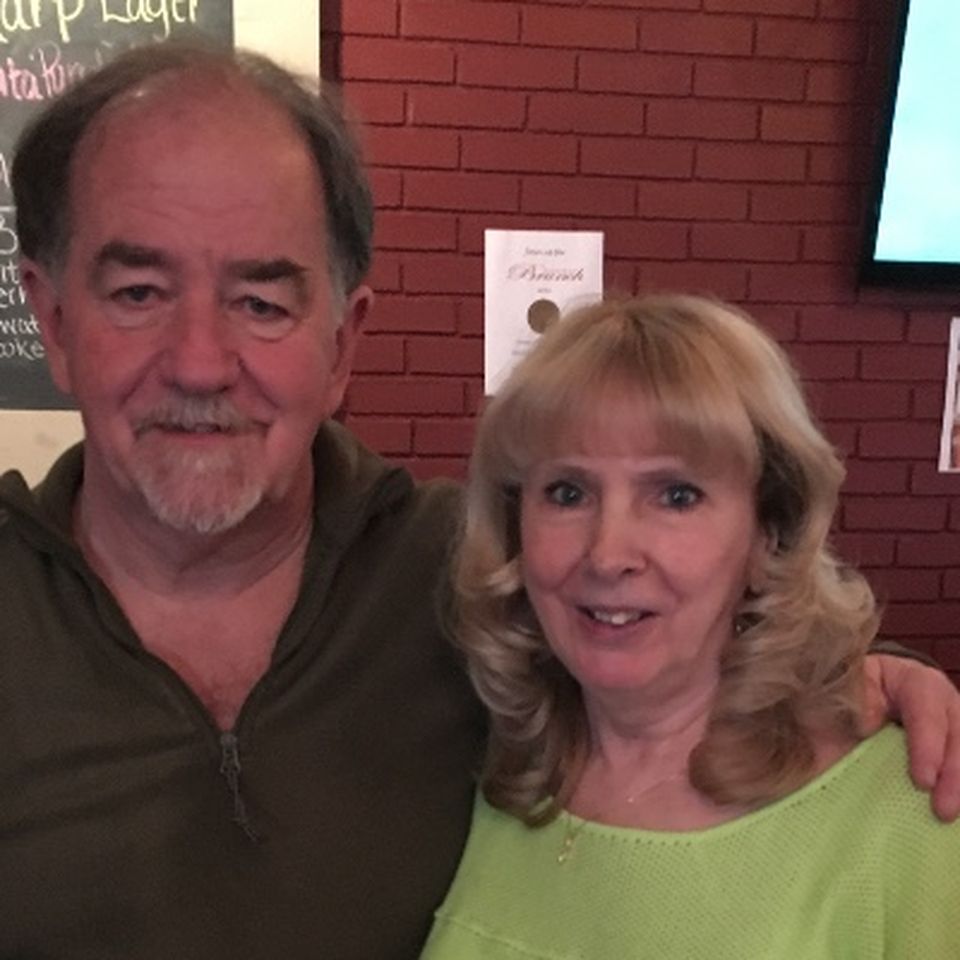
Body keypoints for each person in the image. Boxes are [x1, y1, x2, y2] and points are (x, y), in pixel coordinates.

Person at [0, 42, 955, 959]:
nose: (200, 363)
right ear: (53, 318)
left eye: (261, 303)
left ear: (343, 343)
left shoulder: (472, 574)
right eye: (138, 293)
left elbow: (687, 657)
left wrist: (879, 678)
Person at [421, 295, 960, 959]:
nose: (608, 554)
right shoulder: (477, 769)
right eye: (567, 492)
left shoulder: (911, 817)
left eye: (676, 496)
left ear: (769, 534)